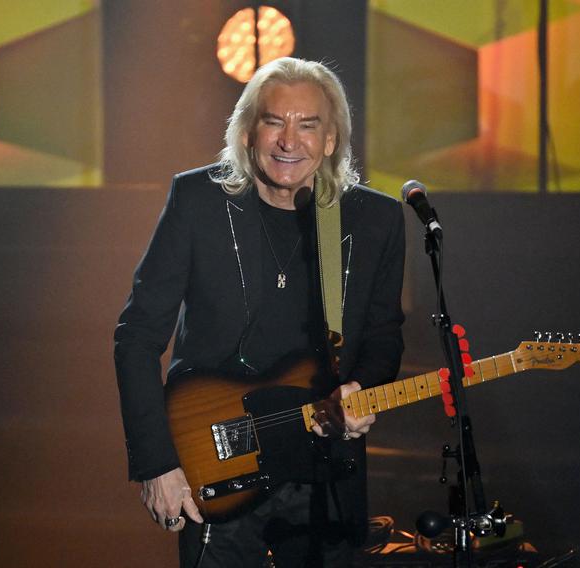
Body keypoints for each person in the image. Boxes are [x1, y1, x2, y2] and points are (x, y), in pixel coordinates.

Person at [114, 57, 405, 567]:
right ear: (248, 132)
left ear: (332, 139)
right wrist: (156, 465)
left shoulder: (375, 220)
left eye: (308, 125)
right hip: (217, 467)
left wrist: (363, 387)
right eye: (274, 121)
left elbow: (383, 334)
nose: (289, 141)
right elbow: (136, 334)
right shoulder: (198, 201)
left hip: (325, 478)